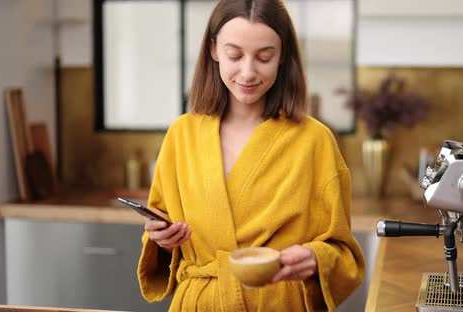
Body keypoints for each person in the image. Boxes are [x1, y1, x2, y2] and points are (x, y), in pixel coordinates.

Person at [137, 0, 365, 310]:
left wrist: (315, 258)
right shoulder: (181, 134)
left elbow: (343, 252)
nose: (248, 72)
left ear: (283, 56)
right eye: (234, 55)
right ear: (214, 50)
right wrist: (161, 239)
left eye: (264, 57)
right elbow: (162, 233)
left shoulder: (315, 141)